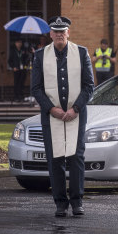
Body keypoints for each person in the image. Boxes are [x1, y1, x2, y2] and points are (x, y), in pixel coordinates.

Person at [31, 16, 94, 217]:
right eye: (55, 31)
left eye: (62, 31)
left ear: (68, 32)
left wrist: (75, 108)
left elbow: (88, 86)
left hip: (76, 114)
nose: (59, 34)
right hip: (52, 116)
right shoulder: (41, 55)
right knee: (55, 158)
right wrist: (51, 108)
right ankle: (60, 203)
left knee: (76, 158)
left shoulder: (82, 53)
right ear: (50, 34)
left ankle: (77, 202)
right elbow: (36, 88)